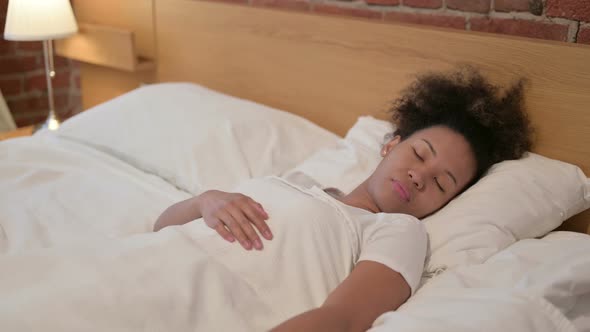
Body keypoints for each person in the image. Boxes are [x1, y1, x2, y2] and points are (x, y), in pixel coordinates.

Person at [153, 66, 533, 331]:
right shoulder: (299, 182)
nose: (420, 176)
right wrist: (205, 201)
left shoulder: (398, 232)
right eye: (419, 154)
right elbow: (161, 228)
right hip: (145, 266)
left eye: (441, 184)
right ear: (391, 145)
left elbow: (343, 319)